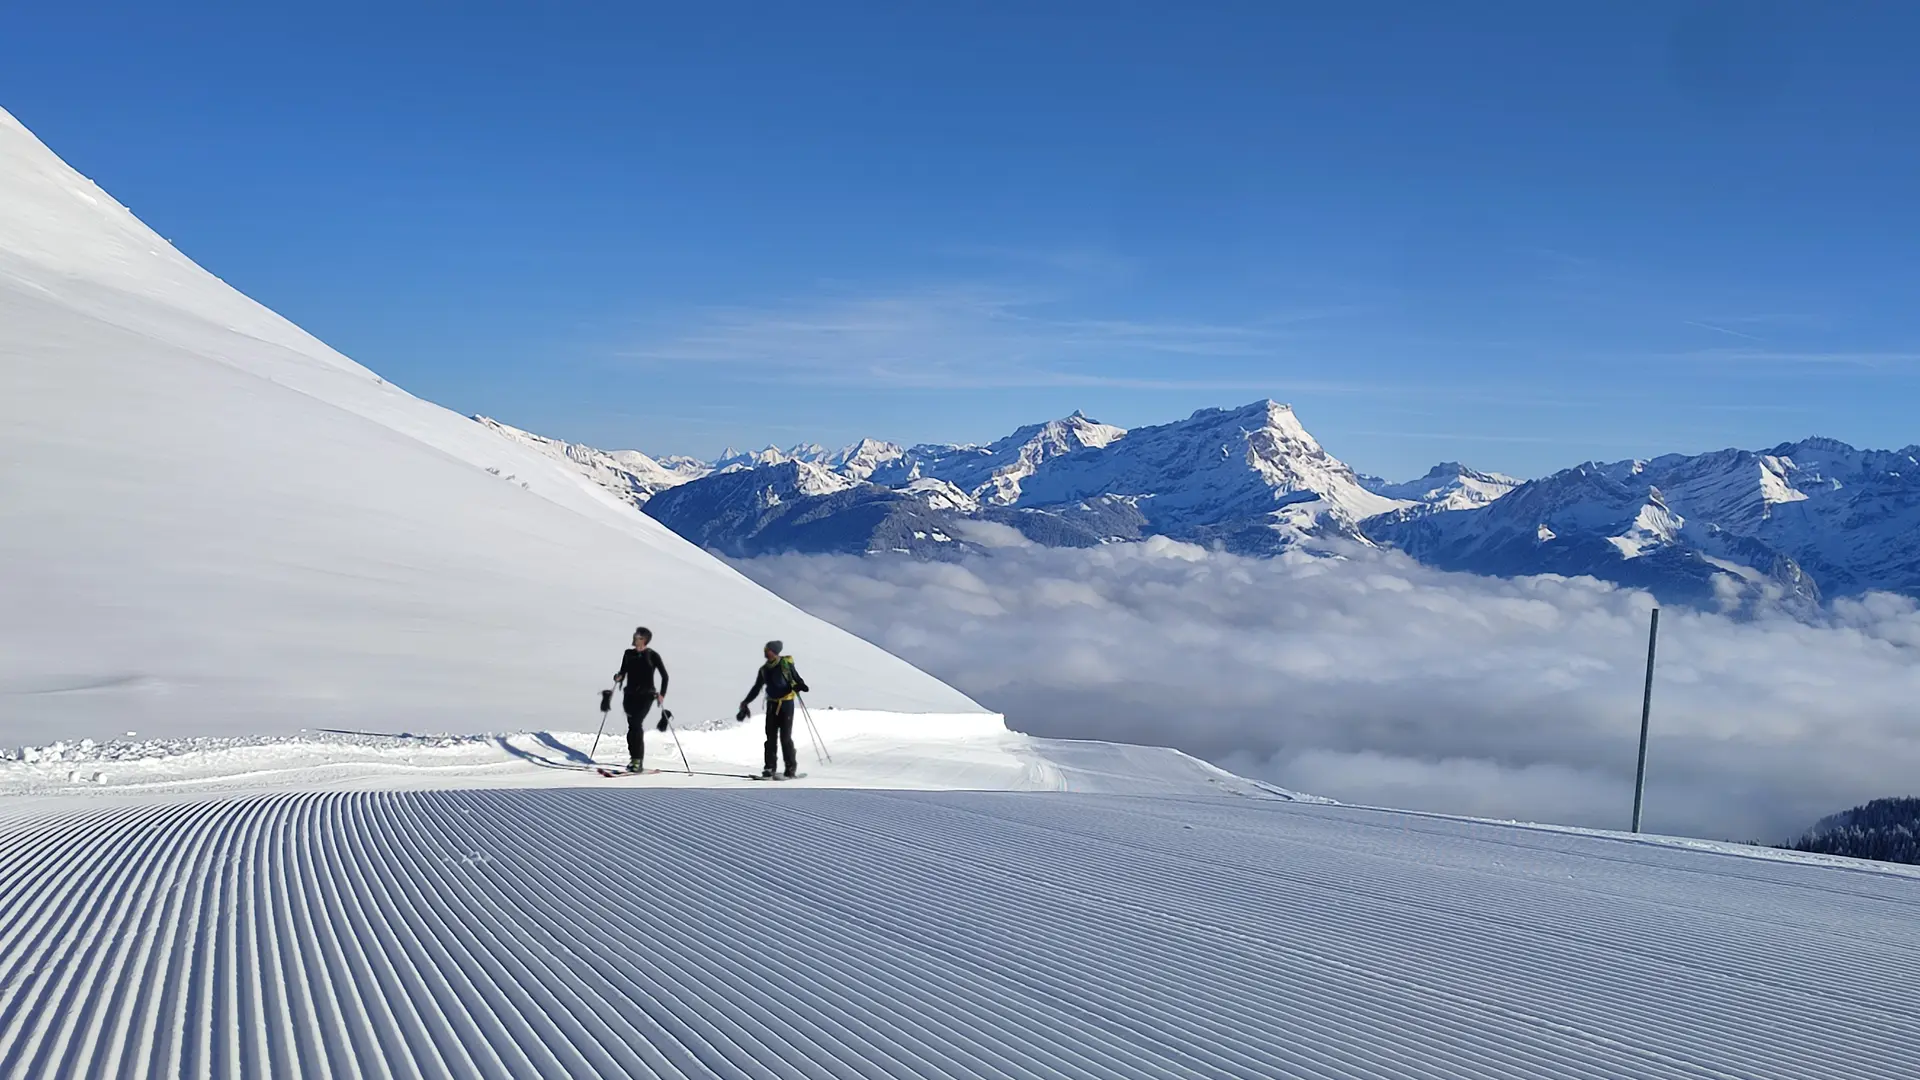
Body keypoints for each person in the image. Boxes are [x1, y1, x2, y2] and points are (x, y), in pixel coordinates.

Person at [737, 640, 809, 779]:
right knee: (770, 737)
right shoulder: (764, 670)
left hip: (786, 704)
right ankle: (769, 769)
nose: (765, 651)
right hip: (772, 704)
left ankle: (790, 769)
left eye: (767, 649)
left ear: (774, 651)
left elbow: (797, 679)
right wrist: (746, 702)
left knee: (785, 737)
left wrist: (800, 686)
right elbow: (757, 688)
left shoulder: (785, 664)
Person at [612, 627, 669, 773]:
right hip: (629, 695)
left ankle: (638, 761)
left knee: (636, 724)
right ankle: (634, 759)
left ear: (644, 639)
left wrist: (662, 694)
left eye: (637, 636)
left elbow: (664, 676)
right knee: (632, 726)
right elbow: (623, 671)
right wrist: (618, 677)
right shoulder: (628, 654)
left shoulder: (652, 655)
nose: (634, 638)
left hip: (646, 695)